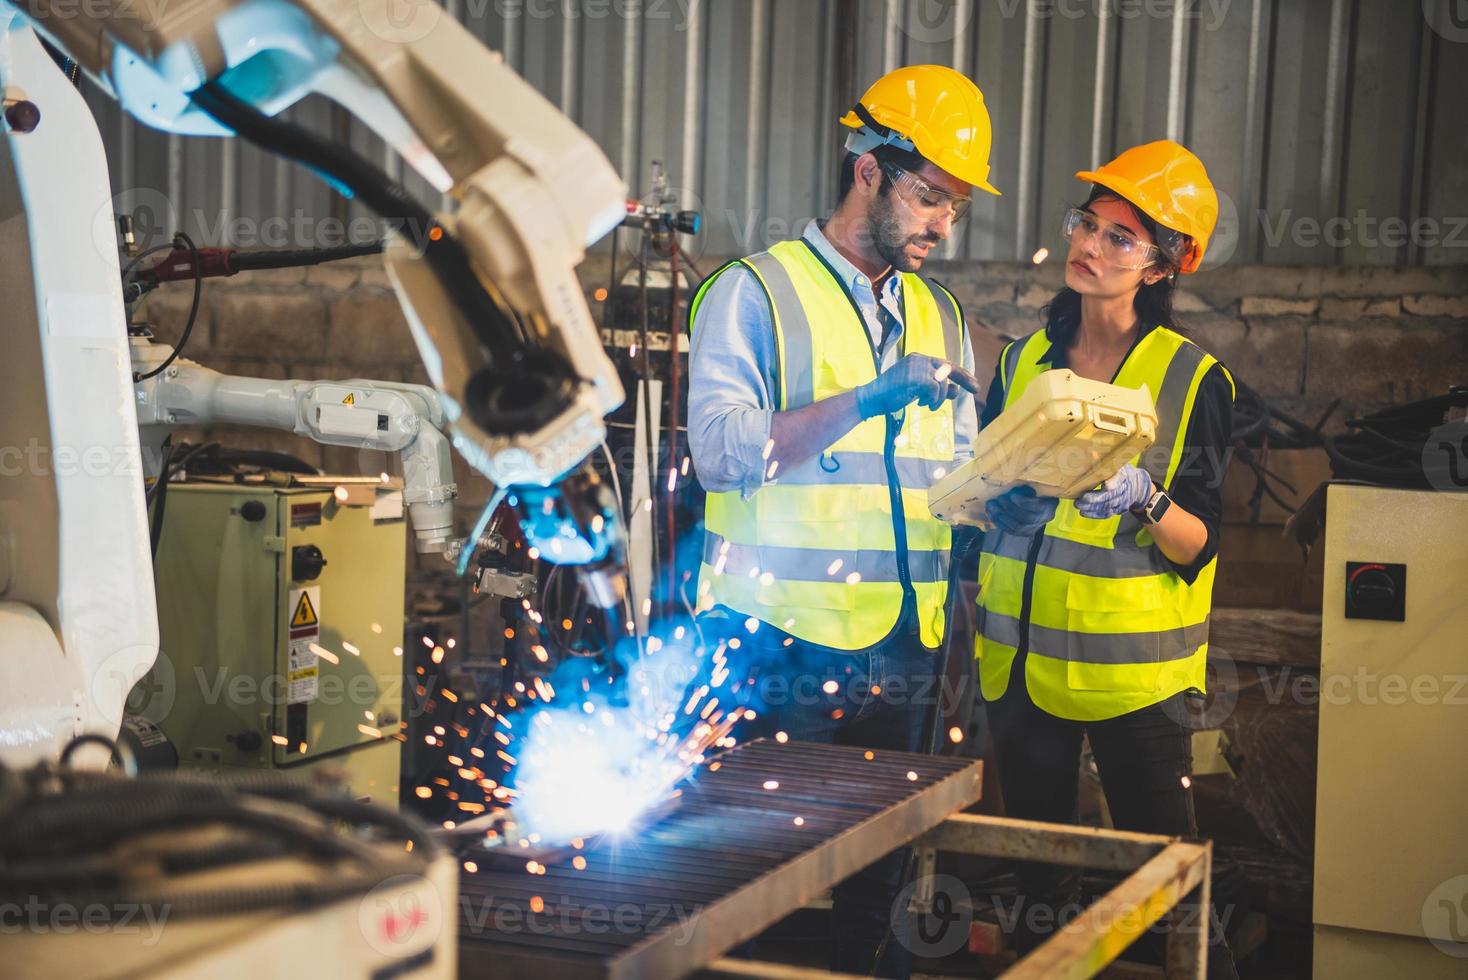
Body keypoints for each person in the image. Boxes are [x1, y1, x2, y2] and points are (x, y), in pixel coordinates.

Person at [684, 65, 998, 977]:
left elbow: (953, 475)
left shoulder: (939, 313)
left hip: (906, 644)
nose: (943, 225)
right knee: (757, 891)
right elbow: (723, 454)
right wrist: (867, 398)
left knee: (883, 887)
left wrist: (1011, 491)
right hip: (775, 646)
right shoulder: (754, 293)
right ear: (869, 169)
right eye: (931, 198)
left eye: (955, 208)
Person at [975, 139, 1240, 977]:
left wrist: (1145, 499)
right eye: (1087, 226)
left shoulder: (1194, 380)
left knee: (1163, 881)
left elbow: (1202, 542)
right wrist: (1001, 509)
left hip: (1135, 680)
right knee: (1042, 883)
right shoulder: (1022, 364)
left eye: (1121, 238)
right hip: (1019, 665)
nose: (1090, 247)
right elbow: (979, 503)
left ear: (1166, 265)